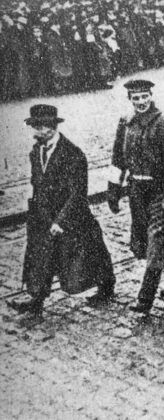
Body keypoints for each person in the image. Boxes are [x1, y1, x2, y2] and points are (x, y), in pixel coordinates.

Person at [10, 105, 116, 327]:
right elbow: (37, 184)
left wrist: (61, 221)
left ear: (52, 127)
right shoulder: (35, 151)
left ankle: (106, 285)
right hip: (42, 215)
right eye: (34, 127)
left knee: (89, 252)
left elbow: (78, 193)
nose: (36, 132)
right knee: (40, 257)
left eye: (40, 127)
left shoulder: (73, 154)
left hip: (71, 215)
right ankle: (36, 300)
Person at [108, 79, 164, 313]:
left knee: (156, 242)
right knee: (157, 242)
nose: (141, 102)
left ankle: (144, 300)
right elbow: (117, 158)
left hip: (159, 193)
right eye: (136, 98)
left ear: (151, 96)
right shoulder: (125, 123)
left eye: (145, 96)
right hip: (137, 194)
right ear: (130, 100)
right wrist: (113, 191)